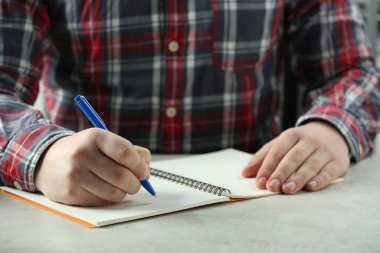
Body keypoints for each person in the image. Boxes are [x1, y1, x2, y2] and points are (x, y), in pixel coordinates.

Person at [0, 0, 379, 206]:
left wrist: (330, 129)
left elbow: (353, 72)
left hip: (257, 201)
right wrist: (45, 153)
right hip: (84, 203)